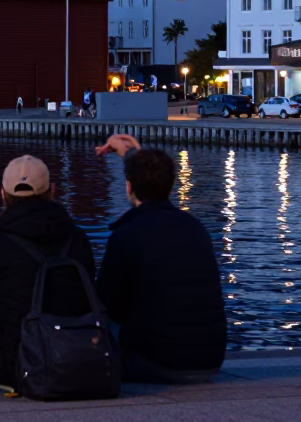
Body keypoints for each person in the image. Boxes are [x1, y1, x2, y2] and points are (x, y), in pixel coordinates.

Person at [94, 134, 227, 384]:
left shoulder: (126, 236)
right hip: (209, 359)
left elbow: (107, 305)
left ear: (129, 187)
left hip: (157, 363)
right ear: (171, 185)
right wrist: (134, 156)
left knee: (98, 320)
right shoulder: (196, 228)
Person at [0, 155, 96, 390]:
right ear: (52, 191)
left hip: (13, 367)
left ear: (3, 194)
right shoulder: (78, 238)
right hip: (75, 355)